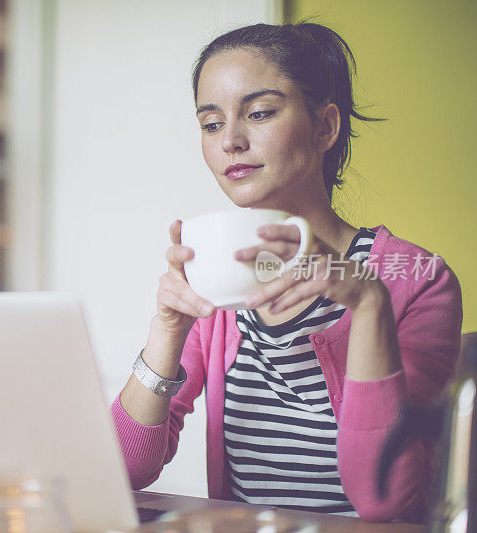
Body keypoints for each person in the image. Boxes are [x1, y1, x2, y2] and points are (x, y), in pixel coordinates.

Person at [111, 22, 462, 523]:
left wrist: (368, 305)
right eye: (211, 124)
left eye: (258, 113)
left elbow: (386, 500)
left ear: (325, 127)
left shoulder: (418, 278)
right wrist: (167, 329)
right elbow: (122, 469)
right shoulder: (216, 280)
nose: (231, 140)